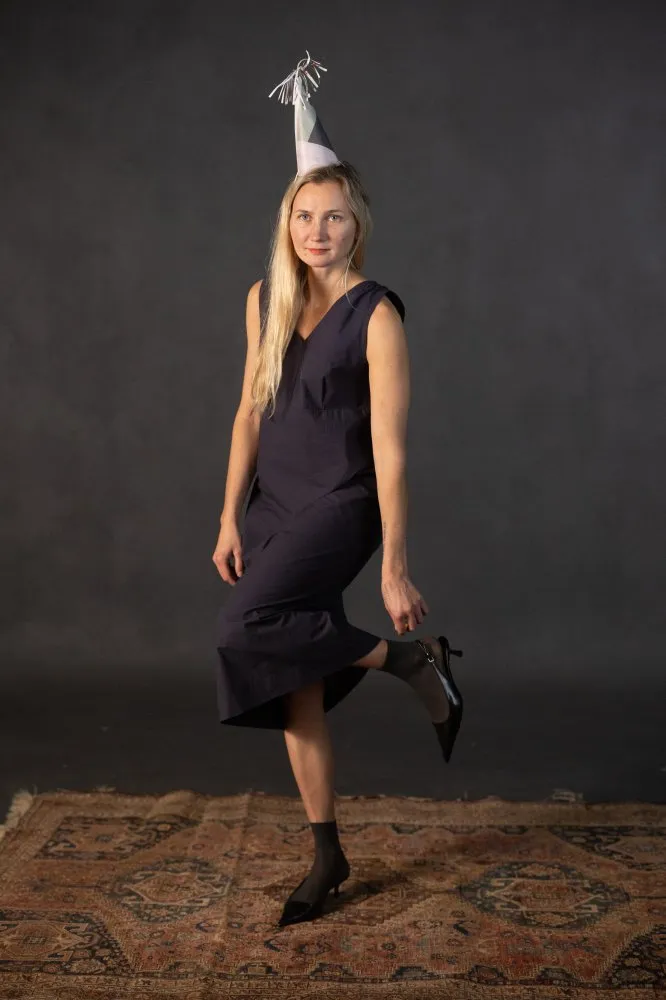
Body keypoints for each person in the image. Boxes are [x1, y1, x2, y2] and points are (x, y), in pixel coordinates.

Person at [212, 54, 463, 928]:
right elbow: (249, 413)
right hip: (273, 506)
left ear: (358, 227)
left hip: (341, 503)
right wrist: (227, 514)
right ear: (287, 223)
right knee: (294, 679)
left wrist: (393, 564)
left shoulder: (377, 315)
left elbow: (390, 453)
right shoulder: (265, 300)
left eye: (334, 217)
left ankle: (408, 660)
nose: (318, 230)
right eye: (305, 216)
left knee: (248, 626)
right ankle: (327, 852)